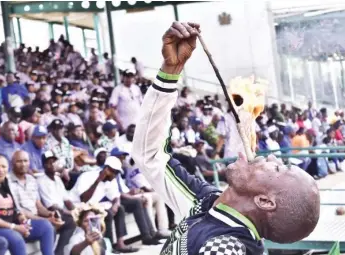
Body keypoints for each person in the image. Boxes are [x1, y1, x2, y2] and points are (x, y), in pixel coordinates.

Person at [132, 22, 320, 254]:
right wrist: (170, 72)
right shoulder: (206, 202)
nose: (271, 156)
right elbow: (149, 155)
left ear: (265, 201)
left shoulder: (228, 247)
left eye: (279, 169)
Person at [0, 154, 55, 255]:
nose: (0, 170)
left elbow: (15, 208)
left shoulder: (7, 181)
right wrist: (14, 227)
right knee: (16, 237)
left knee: (46, 226)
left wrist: (21, 218)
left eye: (4, 167)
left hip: (14, 223)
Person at [9, 150, 76, 255]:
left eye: (25, 161)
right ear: (12, 163)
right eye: (19, 161)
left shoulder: (31, 180)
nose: (23, 164)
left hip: (35, 219)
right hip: (20, 220)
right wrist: (46, 219)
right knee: (47, 226)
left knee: (61, 221)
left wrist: (51, 214)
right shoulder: (7, 181)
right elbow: (19, 211)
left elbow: (39, 206)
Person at [69, 156, 138, 253]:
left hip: (91, 207)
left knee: (120, 209)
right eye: (114, 172)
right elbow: (84, 199)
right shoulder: (87, 176)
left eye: (117, 173)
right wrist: (98, 180)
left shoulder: (111, 180)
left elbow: (115, 196)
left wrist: (115, 204)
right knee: (107, 214)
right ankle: (107, 247)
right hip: (76, 207)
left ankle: (120, 244)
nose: (115, 175)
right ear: (107, 169)